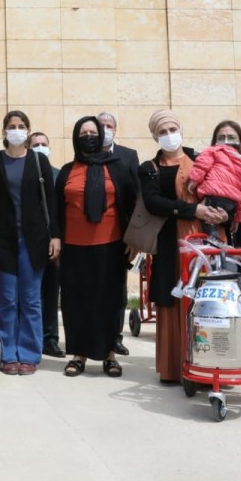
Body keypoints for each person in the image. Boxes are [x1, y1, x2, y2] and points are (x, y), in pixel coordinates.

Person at [139, 110, 229, 384]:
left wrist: (223, 212)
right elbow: (155, 203)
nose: (168, 135)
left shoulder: (203, 158)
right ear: (155, 135)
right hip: (172, 242)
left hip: (208, 236)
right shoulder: (149, 168)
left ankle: (211, 366)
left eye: (172, 129)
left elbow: (225, 188)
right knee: (173, 299)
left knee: (208, 301)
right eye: (162, 131)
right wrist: (193, 210)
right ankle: (174, 368)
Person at [55, 116, 137, 378]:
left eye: (93, 132)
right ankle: (79, 355)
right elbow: (56, 209)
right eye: (83, 132)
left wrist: (134, 240)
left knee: (109, 300)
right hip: (74, 246)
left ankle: (109, 355)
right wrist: (55, 237)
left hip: (111, 244)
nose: (88, 136)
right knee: (77, 301)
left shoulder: (118, 168)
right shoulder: (68, 170)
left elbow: (133, 205)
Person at [0, 110, 60, 376]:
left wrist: (55, 236)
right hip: (4, 242)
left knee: (30, 300)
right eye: (12, 126)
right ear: (4, 132)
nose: (17, 130)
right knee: (7, 300)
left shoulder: (38, 162)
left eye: (22, 126)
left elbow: (50, 201)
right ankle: (8, 353)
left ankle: (29, 354)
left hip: (34, 241)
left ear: (28, 130)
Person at [100, 111, 139, 357]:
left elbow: (136, 199)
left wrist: (135, 237)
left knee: (118, 292)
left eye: (109, 125)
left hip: (121, 236)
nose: (105, 129)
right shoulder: (86, 153)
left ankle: (115, 337)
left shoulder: (128, 156)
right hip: (93, 233)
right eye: (101, 125)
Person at [187, 124, 241, 242]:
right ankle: (216, 243)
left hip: (213, 197)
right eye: (221, 137)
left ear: (240, 140)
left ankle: (212, 241)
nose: (226, 141)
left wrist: (194, 179)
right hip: (230, 203)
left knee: (208, 221)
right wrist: (238, 218)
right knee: (215, 222)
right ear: (215, 140)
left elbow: (202, 164)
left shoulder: (213, 150)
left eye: (231, 137)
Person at [30, 131, 64, 358]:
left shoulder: (58, 175)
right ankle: (30, 338)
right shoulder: (24, 173)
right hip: (29, 241)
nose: (40, 147)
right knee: (30, 294)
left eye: (44, 144)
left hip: (53, 241)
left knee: (50, 293)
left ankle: (50, 339)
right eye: (35, 144)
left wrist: (58, 238)